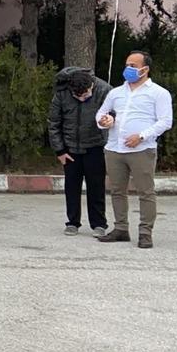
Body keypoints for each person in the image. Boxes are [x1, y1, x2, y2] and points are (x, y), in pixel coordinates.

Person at [96, 51, 173, 249]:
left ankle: (145, 232)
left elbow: (165, 121)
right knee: (117, 191)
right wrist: (105, 121)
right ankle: (121, 228)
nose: (128, 69)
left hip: (142, 150)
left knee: (146, 192)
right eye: (127, 65)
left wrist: (141, 135)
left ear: (145, 69)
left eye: (133, 66)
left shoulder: (158, 93)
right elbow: (101, 113)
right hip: (114, 148)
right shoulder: (116, 93)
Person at [48, 67, 111, 237]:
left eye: (86, 95)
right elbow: (54, 123)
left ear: (92, 86)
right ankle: (72, 222)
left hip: (96, 146)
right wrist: (59, 150)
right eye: (78, 96)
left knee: (96, 186)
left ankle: (99, 224)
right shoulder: (61, 92)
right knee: (71, 186)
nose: (83, 98)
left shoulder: (105, 90)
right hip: (70, 148)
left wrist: (109, 121)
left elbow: (116, 114)